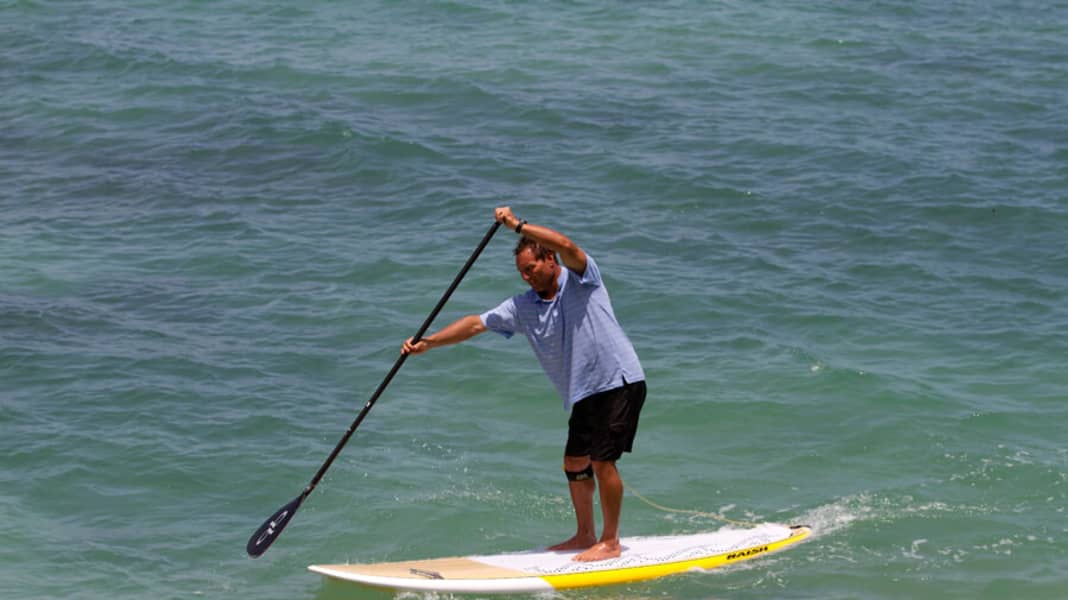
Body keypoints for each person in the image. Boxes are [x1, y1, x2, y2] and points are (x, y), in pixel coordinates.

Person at [401, 206, 646, 562]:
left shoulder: (583, 279)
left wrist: (517, 225)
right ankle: (584, 534)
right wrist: (429, 343)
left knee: (602, 461)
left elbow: (566, 243)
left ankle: (610, 541)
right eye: (522, 273)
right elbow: (475, 324)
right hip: (584, 391)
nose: (527, 277)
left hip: (617, 380)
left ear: (548, 259)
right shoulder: (523, 307)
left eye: (531, 269)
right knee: (574, 463)